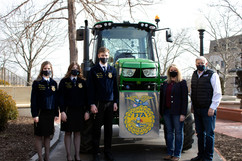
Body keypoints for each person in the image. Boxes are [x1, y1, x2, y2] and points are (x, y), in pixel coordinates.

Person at [88, 47, 119, 161]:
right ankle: (96, 153)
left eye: (106, 56)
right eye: (102, 55)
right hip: (98, 104)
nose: (104, 57)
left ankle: (108, 152)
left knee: (108, 129)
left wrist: (115, 101)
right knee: (96, 129)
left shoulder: (112, 70)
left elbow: (115, 88)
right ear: (98, 56)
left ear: (108, 56)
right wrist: (92, 104)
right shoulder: (94, 70)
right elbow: (90, 89)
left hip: (110, 104)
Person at [190, 56, 222, 161]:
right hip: (197, 109)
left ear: (206, 64)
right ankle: (200, 155)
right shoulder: (194, 75)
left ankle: (208, 157)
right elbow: (193, 92)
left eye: (202, 62)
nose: (200, 64)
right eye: (198, 63)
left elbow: (217, 93)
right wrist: (193, 106)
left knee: (209, 134)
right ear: (195, 64)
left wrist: (212, 108)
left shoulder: (213, 75)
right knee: (200, 134)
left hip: (208, 109)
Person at [58, 62, 89, 161]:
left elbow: (86, 98)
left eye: (77, 68)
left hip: (79, 111)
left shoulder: (83, 82)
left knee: (77, 133)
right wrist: (62, 111)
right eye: (73, 68)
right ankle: (68, 155)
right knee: (68, 133)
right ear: (69, 69)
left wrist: (87, 111)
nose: (75, 69)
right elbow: (61, 98)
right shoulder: (64, 81)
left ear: (79, 70)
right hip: (68, 111)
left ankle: (77, 155)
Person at [30, 61, 59, 161]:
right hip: (40, 113)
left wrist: (56, 113)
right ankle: (40, 158)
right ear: (42, 69)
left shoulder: (54, 83)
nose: (47, 70)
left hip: (50, 114)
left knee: (47, 136)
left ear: (51, 69)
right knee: (38, 136)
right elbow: (33, 100)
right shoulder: (37, 83)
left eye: (49, 68)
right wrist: (34, 114)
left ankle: (47, 157)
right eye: (45, 68)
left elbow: (56, 100)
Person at [160, 64, 188, 161]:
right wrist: (161, 112)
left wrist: (183, 114)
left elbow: (185, 99)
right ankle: (169, 153)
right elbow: (162, 98)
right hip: (167, 112)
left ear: (178, 71)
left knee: (178, 133)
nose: (173, 71)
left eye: (175, 70)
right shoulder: (165, 83)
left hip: (177, 113)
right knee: (169, 133)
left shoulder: (182, 83)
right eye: (171, 70)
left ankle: (177, 154)